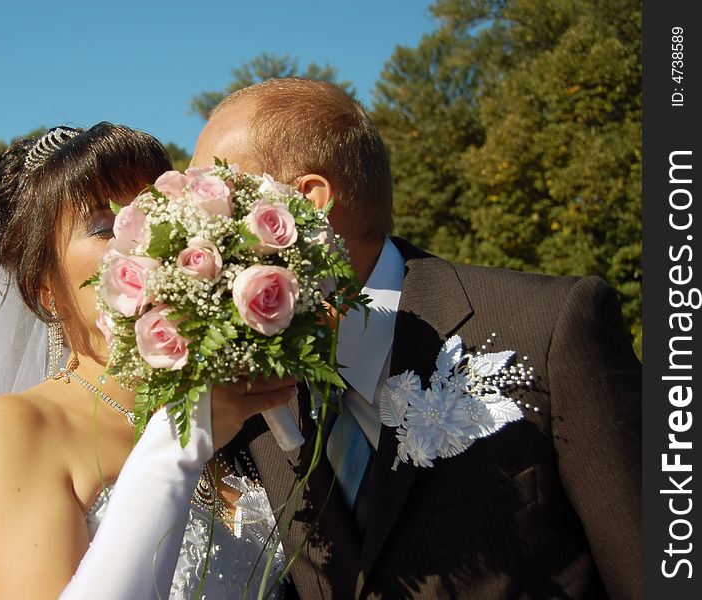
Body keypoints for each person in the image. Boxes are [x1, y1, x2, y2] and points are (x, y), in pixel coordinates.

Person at [190, 78, 642, 599]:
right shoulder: (242, 391)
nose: (200, 226)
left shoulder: (552, 328)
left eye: (219, 193)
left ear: (305, 204)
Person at [0, 122, 294, 599]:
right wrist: (181, 443)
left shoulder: (242, 415)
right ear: (45, 290)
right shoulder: (12, 429)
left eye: (160, 212)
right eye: (104, 226)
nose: (149, 237)